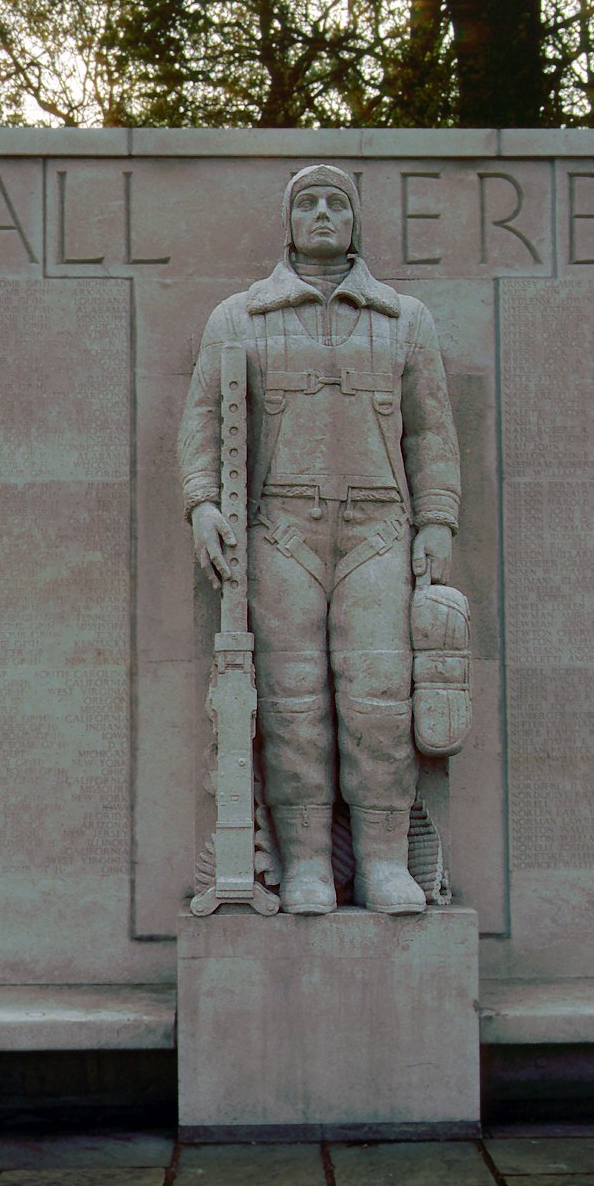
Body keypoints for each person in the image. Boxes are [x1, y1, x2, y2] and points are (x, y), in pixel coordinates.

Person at [178, 164, 460, 915]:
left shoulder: (405, 320)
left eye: (338, 202)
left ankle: (383, 864)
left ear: (356, 220)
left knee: (379, 703)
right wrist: (202, 504)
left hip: (379, 532)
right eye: (308, 203)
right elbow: (201, 420)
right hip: (280, 532)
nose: (324, 213)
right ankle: (306, 865)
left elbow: (431, 430)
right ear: (289, 220)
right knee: (292, 705)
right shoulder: (238, 317)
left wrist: (437, 519)